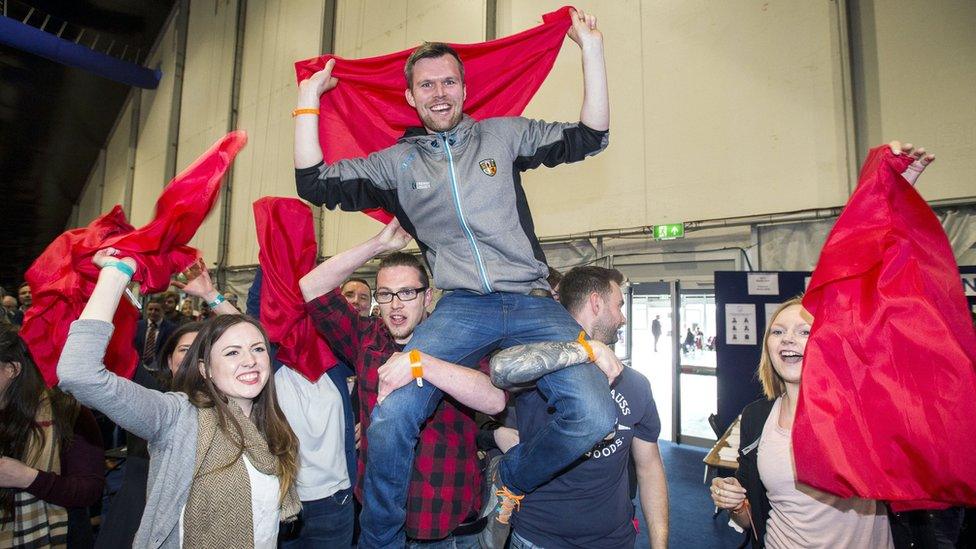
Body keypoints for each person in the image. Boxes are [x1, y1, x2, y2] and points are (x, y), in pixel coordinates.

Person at [294, 10, 614, 545]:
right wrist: (309, 97)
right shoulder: (394, 164)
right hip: (462, 308)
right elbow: (313, 180)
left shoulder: (503, 136)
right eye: (426, 85)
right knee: (391, 417)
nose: (438, 93)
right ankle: (381, 541)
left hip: (534, 302)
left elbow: (591, 136)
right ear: (410, 98)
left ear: (465, 89)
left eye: (448, 82)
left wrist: (591, 50)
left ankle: (510, 477)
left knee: (594, 416)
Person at [56, 247, 301, 548]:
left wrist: (212, 294)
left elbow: (250, 333)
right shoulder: (178, 417)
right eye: (232, 353)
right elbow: (78, 373)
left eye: (258, 350)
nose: (250, 360)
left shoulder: (271, 428)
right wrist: (115, 274)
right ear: (205, 369)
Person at [300, 219, 506, 547]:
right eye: (385, 294)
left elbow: (494, 399)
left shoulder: (459, 341)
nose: (395, 304)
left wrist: (423, 364)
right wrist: (378, 245)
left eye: (407, 292)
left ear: (428, 297)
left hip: (443, 516)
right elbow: (312, 286)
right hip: (379, 516)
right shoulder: (366, 339)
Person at [490, 266, 669, 548]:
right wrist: (588, 350)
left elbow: (649, 469)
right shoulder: (537, 375)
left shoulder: (636, 385)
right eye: (619, 305)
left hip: (613, 540)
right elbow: (502, 368)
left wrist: (660, 545)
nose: (623, 318)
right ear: (596, 303)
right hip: (538, 539)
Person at [710, 297, 893, 548]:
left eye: (804, 331)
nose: (787, 338)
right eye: (778, 331)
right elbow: (748, 518)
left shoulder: (862, 411)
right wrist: (735, 503)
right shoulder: (756, 417)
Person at [0, 326, 104, 547]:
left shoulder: (65, 411)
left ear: (11, 369)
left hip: (61, 535)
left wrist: (28, 478)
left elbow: (90, 490)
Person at [134, 297, 175, 367]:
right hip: (137, 366)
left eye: (157, 310)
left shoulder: (171, 328)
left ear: (163, 311)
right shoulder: (137, 325)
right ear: (146, 310)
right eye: (150, 309)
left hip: (159, 368)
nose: (153, 312)